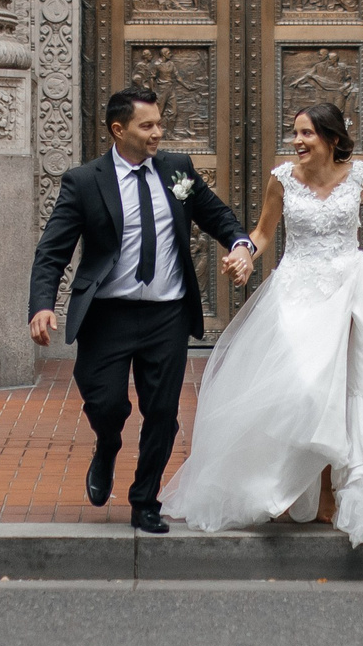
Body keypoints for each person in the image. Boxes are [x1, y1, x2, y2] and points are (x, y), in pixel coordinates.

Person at [162, 103, 363, 548]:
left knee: (334, 392)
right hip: (295, 294)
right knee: (300, 389)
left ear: (332, 139)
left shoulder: (358, 175)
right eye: (295, 133)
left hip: (346, 293)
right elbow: (263, 233)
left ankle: (324, 495)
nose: (297, 141)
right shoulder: (283, 180)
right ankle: (280, 483)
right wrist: (244, 255)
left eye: (306, 134)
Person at [28, 87, 257, 532]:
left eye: (159, 124)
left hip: (166, 314)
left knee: (163, 414)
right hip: (107, 315)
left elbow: (215, 214)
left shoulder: (177, 170)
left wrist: (241, 245)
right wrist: (41, 305)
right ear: (119, 130)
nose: (158, 133)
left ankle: (144, 499)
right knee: (107, 402)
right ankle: (107, 444)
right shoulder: (84, 181)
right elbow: (52, 251)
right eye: (147, 125)